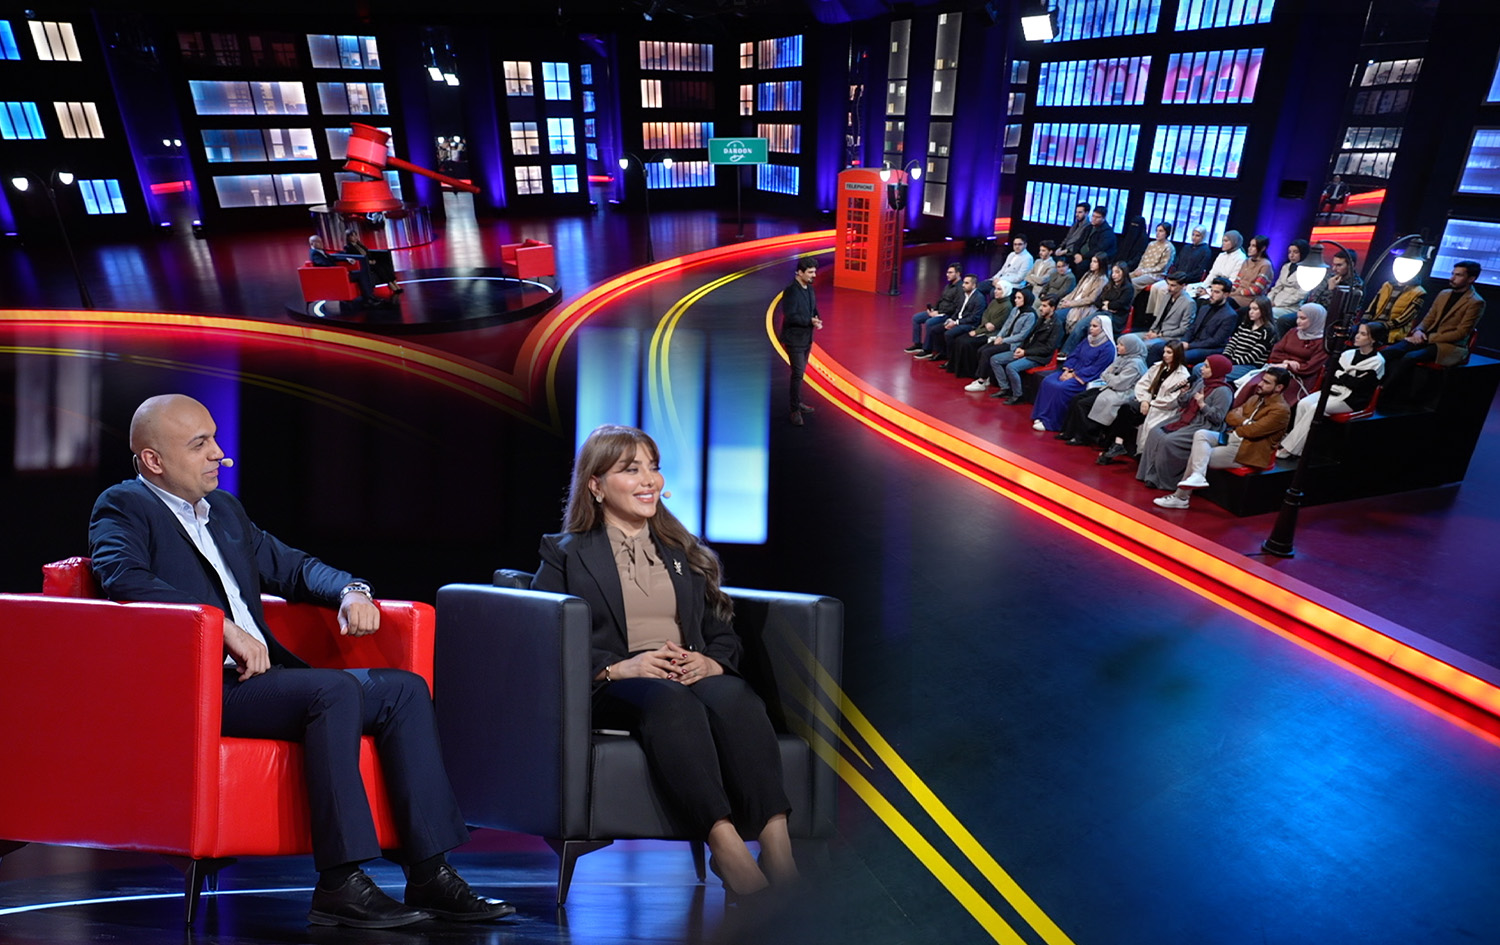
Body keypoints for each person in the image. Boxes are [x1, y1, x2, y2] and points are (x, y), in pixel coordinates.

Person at [87, 394, 513, 930]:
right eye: (200, 444)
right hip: (202, 686)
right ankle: (340, 882)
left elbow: (293, 567)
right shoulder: (124, 505)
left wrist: (352, 591)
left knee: (403, 689)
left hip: (263, 681)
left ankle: (430, 873)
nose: (220, 454)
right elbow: (123, 577)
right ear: (153, 460)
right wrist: (220, 626)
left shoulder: (224, 511)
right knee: (331, 690)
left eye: (215, 438)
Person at [530, 425, 797, 898]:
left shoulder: (680, 549)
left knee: (736, 697)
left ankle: (778, 847)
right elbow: (542, 633)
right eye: (631, 469)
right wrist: (617, 668)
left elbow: (721, 630)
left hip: (687, 671)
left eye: (653, 467)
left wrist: (711, 664)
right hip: (615, 682)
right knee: (670, 702)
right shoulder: (565, 554)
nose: (649, 479)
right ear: (596, 484)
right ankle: (727, 848)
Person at [1154, 368, 1292, 509]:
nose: (1260, 384)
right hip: (1233, 437)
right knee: (1201, 434)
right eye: (1262, 380)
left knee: (1199, 456)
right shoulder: (1255, 399)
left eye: (1267, 382)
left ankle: (1181, 497)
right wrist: (1246, 422)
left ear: (1279, 388)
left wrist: (1242, 421)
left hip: (1249, 449)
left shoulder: (1281, 410)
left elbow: (1253, 431)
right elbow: (1230, 416)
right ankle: (1197, 477)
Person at [1278, 321, 1386, 459]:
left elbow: (1358, 385)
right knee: (1304, 403)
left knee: (1315, 408)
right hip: (1333, 390)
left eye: (1363, 334)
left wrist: (1341, 375)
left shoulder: (1377, 362)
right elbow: (1331, 375)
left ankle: (1289, 449)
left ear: (1373, 339)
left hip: (1352, 399)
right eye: (1358, 332)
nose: (1357, 336)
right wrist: (1346, 377)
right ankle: (1300, 446)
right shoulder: (1347, 354)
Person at [1381, 261, 1486, 402]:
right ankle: (1369, 387)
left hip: (1447, 345)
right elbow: (1429, 318)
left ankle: (1383, 394)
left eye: (1458, 275)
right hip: (1424, 337)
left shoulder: (1476, 302)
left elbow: (1461, 333)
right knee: (1390, 351)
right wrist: (1418, 331)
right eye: (1452, 274)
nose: (1452, 278)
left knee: (1410, 357)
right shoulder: (1444, 294)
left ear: (1471, 279)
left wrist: (1427, 338)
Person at [1136, 354, 1234, 490]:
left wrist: (1202, 405)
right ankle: (1148, 475)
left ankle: (1165, 481)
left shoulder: (1223, 391)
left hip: (1204, 425)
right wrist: (1183, 393)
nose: (1202, 369)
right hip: (1187, 417)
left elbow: (1218, 418)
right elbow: (1183, 404)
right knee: (1154, 432)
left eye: (1206, 367)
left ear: (1216, 370)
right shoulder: (1201, 382)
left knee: (1168, 441)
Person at [1096, 341, 1190, 465]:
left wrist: (1151, 403)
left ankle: (1127, 451)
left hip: (1162, 408)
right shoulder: (1157, 367)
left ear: (1177, 354)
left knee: (1141, 423)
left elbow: (1172, 399)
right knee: (1126, 409)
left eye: (1169, 352)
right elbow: (1143, 384)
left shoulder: (1183, 375)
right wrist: (1145, 400)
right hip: (1147, 403)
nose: (1165, 355)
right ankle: (1118, 444)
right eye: (1164, 352)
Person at [1058, 333, 1147, 447]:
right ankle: (1069, 432)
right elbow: (1104, 373)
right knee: (1077, 398)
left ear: (1130, 347)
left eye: (1121, 345)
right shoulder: (1122, 358)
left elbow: (1118, 384)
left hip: (1122, 393)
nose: (1117, 346)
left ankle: (1083, 437)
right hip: (1109, 388)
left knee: (1083, 404)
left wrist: (1109, 377)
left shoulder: (1135, 364)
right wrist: (1110, 377)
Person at [1235, 302, 1329, 405]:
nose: (1298, 321)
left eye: (1303, 318)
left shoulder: (1323, 342)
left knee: (1276, 393)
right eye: (1298, 317)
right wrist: (1286, 362)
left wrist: (1288, 366)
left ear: (1316, 320)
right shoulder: (1293, 332)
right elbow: (1275, 352)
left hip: (1300, 377)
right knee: (1253, 385)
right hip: (1279, 367)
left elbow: (1310, 367)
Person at [1031, 314, 1114, 432]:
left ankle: (1052, 422)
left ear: (1103, 328)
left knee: (1061, 388)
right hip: (1072, 370)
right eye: (1091, 325)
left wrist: (1074, 375)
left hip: (1087, 378)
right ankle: (1042, 415)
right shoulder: (1087, 340)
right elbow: (1074, 355)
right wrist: (1067, 370)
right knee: (1047, 381)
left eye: (1095, 326)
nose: (1091, 328)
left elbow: (1096, 368)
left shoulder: (1108, 348)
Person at [991, 295, 1063, 405]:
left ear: (1052, 308)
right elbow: (1028, 337)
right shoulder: (1041, 319)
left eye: (1044, 306)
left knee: (1011, 367)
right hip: (1027, 351)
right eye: (1041, 305)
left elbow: (1048, 349)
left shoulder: (1057, 325)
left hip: (1039, 357)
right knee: (995, 359)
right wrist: (1021, 348)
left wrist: (1025, 352)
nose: (1040, 308)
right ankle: (1005, 388)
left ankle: (1018, 395)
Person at [962, 287, 1036, 391]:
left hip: (1014, 344)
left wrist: (1003, 340)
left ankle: (981, 381)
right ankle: (985, 377)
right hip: (1004, 339)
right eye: (1016, 297)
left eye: (1019, 298)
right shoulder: (1015, 310)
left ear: (1026, 300)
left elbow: (1022, 336)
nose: (1016, 300)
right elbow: (1006, 325)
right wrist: (999, 336)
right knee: (981, 350)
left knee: (987, 352)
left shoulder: (1030, 316)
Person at [777, 258, 822, 426]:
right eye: (810, 272)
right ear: (800, 272)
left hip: (806, 338)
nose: (814, 275)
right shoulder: (791, 291)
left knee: (800, 373)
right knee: (797, 374)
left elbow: (813, 309)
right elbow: (790, 316)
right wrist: (809, 321)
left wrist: (817, 319)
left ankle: (797, 402)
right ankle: (794, 410)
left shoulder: (809, 288)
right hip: (794, 339)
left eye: (814, 271)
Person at [947, 284, 1021, 379]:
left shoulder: (1007, 306)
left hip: (991, 334)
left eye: (999, 289)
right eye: (995, 289)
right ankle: (955, 368)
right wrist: (985, 323)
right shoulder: (994, 301)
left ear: (1006, 291)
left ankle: (969, 372)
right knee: (959, 339)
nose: (995, 291)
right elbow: (985, 315)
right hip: (983, 328)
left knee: (966, 342)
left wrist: (977, 332)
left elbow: (995, 325)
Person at [1060, 260, 1132, 358]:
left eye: (1117, 272)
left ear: (1124, 273)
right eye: (1113, 272)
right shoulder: (1109, 285)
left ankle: (1068, 352)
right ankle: (1069, 352)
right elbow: (1098, 301)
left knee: (1086, 326)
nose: (1114, 275)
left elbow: (1119, 305)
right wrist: (1107, 305)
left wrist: (1108, 304)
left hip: (1116, 317)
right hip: (1102, 312)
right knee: (1081, 324)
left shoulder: (1128, 288)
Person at [1128, 270, 1197, 364]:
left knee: (1142, 346)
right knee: (1128, 339)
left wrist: (1159, 335)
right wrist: (1152, 331)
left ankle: (1138, 367)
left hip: (1170, 337)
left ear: (1182, 286)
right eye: (1168, 284)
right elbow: (1159, 317)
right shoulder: (1167, 295)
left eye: (1173, 285)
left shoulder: (1189, 303)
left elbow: (1184, 329)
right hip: (1156, 332)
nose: (1169, 288)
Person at [1144, 225, 1212, 319]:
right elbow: (1176, 264)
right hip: (1175, 278)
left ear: (1203, 237)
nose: (1194, 237)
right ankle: (1150, 315)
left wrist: (1182, 279)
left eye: (1197, 235)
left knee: (1163, 290)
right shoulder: (1186, 247)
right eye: (1193, 234)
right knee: (1155, 287)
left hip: (1188, 281)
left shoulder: (1206, 251)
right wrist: (1173, 276)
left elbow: (1199, 271)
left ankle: (1160, 317)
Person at [916, 272, 985, 362]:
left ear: (974, 285)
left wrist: (956, 323)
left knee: (949, 334)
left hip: (969, 324)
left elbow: (975, 318)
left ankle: (951, 359)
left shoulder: (979, 298)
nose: (963, 285)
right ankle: (942, 353)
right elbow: (957, 310)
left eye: (966, 283)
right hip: (958, 320)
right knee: (935, 329)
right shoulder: (963, 295)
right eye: (964, 282)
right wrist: (951, 319)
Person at [906, 263, 963, 354]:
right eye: (947, 272)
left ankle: (927, 349)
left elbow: (955, 307)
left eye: (950, 272)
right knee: (916, 318)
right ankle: (917, 344)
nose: (947, 274)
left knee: (929, 322)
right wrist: (934, 309)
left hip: (947, 314)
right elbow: (941, 299)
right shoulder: (948, 286)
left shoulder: (960, 289)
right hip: (938, 311)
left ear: (958, 273)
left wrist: (939, 312)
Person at [1181, 277, 1240, 364]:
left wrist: (1189, 345)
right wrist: (1184, 341)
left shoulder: (1230, 315)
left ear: (1226, 295)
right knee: (1166, 348)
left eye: (1216, 292)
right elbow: (1192, 327)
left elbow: (1216, 341)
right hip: (1194, 343)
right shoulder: (1204, 308)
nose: (1211, 295)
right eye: (1211, 291)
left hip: (1211, 348)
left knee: (1182, 355)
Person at [1055, 253, 1108, 348]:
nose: (1091, 264)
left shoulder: (1102, 280)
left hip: (1084, 307)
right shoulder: (1087, 274)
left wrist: (1071, 304)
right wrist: (1065, 300)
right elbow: (1076, 290)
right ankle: (1055, 345)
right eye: (1091, 261)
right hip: (1073, 301)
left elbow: (1091, 299)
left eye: (1095, 262)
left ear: (1101, 264)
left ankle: (1062, 348)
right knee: (1055, 312)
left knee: (1058, 316)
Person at [309, 234, 380, 304]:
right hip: (334, 275)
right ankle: (369, 298)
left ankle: (370, 296)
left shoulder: (320, 251)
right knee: (361, 274)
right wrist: (341, 271)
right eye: (318, 242)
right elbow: (325, 265)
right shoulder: (314, 254)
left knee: (362, 272)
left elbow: (332, 258)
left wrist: (346, 259)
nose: (321, 243)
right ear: (312, 243)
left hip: (339, 273)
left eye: (321, 241)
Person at [1128, 222, 1177, 325]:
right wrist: (1139, 269)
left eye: (1161, 231)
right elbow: (1143, 259)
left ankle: (1126, 307)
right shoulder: (1151, 244)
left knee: (1133, 282)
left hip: (1156, 275)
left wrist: (1144, 271)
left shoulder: (1169, 247)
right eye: (1157, 231)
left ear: (1167, 233)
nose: (1158, 233)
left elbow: (1162, 267)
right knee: (1123, 278)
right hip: (1143, 271)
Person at [1220, 296, 1277, 381]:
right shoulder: (1245, 325)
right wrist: (1226, 357)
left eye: (1255, 309)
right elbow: (1232, 343)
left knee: (1217, 374)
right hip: (1232, 361)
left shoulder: (1267, 331)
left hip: (1249, 365)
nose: (1251, 312)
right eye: (1250, 309)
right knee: (1201, 368)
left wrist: (1232, 362)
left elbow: (1253, 356)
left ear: (1264, 311)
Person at [1364, 273, 1427, 344]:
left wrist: (1385, 325)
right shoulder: (1387, 285)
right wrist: (1364, 319)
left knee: (1366, 333)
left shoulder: (1419, 292)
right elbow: (1373, 304)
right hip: (1374, 321)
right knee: (1356, 330)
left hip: (1393, 330)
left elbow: (1406, 318)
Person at [1266, 239, 1312, 331]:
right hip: (1275, 302)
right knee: (1259, 309)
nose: (1291, 255)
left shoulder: (1309, 270)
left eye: (1295, 252)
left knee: (1268, 313)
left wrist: (1278, 303)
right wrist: (1268, 300)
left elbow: (1301, 295)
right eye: (1290, 252)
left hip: (1292, 306)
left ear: (1303, 253)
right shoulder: (1286, 266)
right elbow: (1277, 287)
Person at [1187, 230, 1246, 300]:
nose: (1223, 243)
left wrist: (1208, 291)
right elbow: (1212, 274)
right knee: (1189, 289)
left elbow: (1231, 282)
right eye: (1222, 241)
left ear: (1234, 242)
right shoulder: (1221, 255)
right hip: (1214, 285)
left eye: (1226, 241)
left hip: (1224, 289)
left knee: (1202, 299)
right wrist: (1203, 287)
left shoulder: (1241, 258)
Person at [344, 226, 402, 294]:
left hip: (370, 261)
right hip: (364, 264)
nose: (355, 237)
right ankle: (390, 283)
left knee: (384, 265)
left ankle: (394, 282)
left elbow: (368, 253)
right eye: (352, 236)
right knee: (378, 268)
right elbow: (354, 257)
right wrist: (368, 262)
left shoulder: (360, 245)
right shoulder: (348, 248)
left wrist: (372, 260)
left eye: (355, 235)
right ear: (348, 238)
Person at [1228, 234, 1273, 311]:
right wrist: (1230, 290)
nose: (1249, 248)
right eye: (1250, 245)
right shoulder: (1246, 261)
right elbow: (1237, 281)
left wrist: (1238, 292)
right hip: (1236, 294)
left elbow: (1257, 289)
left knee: (1226, 303)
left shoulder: (1265, 265)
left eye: (1253, 246)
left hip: (1250, 298)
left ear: (1262, 248)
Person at [1071, 205, 1118, 275]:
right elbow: (1078, 241)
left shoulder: (1107, 233)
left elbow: (1099, 249)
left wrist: (1083, 257)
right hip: (1080, 255)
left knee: (1082, 266)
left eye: (1097, 217)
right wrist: (1075, 254)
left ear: (1104, 218)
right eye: (1093, 216)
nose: (1094, 219)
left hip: (1093, 258)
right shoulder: (1089, 227)